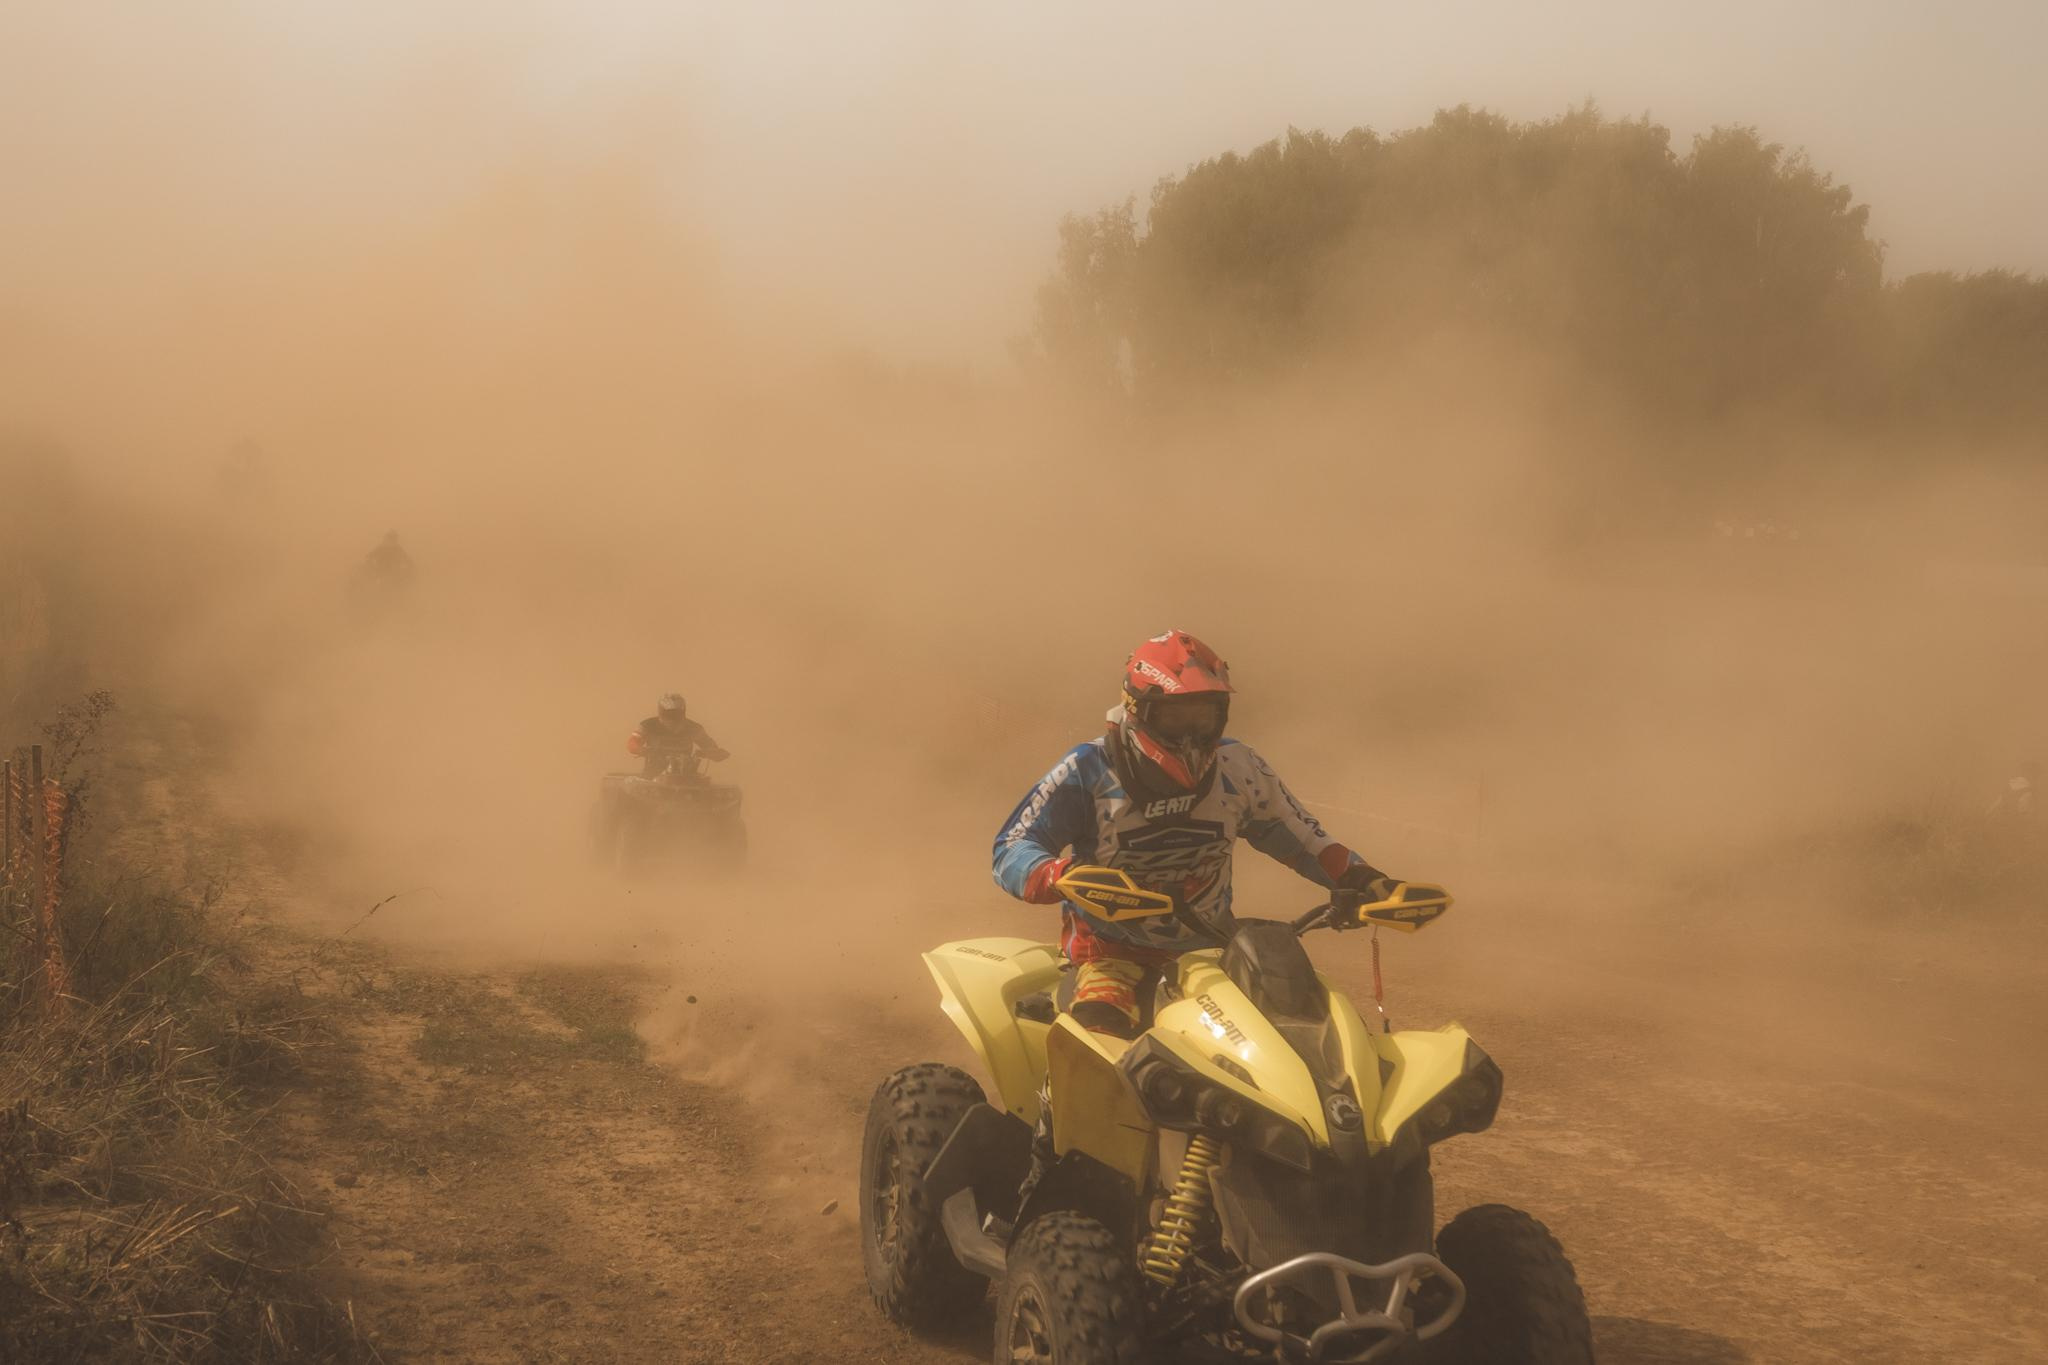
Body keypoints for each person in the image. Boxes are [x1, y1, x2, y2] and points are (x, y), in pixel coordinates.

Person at [992, 630, 1395, 1036]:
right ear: (1138, 709)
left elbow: (1306, 842)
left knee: (1315, 1028)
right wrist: (1060, 875)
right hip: (1110, 954)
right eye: (1175, 717)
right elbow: (1012, 848)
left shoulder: (1239, 768)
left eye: (1203, 717)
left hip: (1216, 950)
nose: (1190, 734)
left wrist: (1362, 879)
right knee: (1098, 1036)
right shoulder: (1089, 769)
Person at [629, 693, 729, 779]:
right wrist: (641, 749)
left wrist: (712, 753)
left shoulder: (693, 728)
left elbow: (711, 746)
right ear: (660, 711)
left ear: (683, 711)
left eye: (676, 714)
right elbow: (632, 743)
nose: (672, 718)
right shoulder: (648, 725)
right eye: (668, 714)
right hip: (652, 775)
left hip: (687, 777)